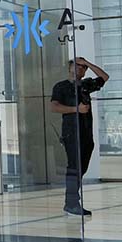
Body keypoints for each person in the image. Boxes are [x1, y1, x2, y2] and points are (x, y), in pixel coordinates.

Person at [50, 56, 110, 217]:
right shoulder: (61, 86)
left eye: (83, 67)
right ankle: (71, 203)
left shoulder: (86, 85)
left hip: (86, 132)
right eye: (77, 65)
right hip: (71, 132)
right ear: (70, 67)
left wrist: (88, 63)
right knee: (74, 167)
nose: (80, 68)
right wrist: (76, 109)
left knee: (81, 168)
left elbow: (104, 77)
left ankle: (72, 202)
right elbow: (54, 107)